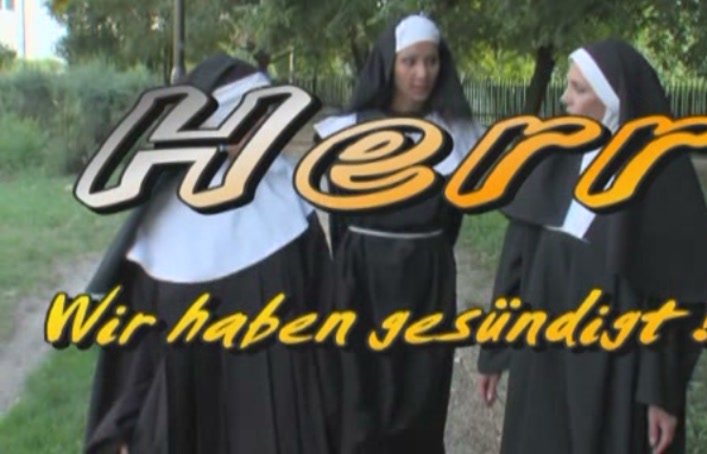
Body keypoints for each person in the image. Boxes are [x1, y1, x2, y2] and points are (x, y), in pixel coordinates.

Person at [477, 39, 707, 454]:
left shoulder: (656, 182)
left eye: (579, 89)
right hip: (542, 357)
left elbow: (674, 299)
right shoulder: (550, 160)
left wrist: (661, 393)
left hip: (615, 368)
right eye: (568, 85)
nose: (565, 98)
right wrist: (494, 351)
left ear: (615, 100)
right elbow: (516, 262)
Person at [83, 55, 339, 454]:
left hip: (280, 417)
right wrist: (120, 428)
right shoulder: (160, 227)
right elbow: (136, 349)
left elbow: (325, 309)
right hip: (189, 417)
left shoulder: (290, 200)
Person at [312, 13, 483, 454]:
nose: (422, 73)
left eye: (431, 61)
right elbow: (337, 216)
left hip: (427, 279)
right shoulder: (347, 132)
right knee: (359, 394)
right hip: (361, 278)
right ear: (389, 64)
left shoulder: (455, 135)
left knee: (420, 393)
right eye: (410, 61)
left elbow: (453, 217)